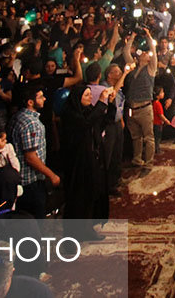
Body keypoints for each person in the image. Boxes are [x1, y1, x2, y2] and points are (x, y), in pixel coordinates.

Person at [60, 84, 113, 240]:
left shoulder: (89, 110)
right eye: (86, 95)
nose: (90, 97)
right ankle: (73, 235)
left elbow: (102, 122)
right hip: (78, 162)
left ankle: (88, 229)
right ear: (77, 98)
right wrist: (101, 103)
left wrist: (110, 104)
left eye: (91, 94)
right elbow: (85, 123)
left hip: (92, 159)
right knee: (78, 198)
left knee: (92, 196)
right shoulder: (70, 114)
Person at [8, 83, 59, 218]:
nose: (44, 99)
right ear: (30, 102)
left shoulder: (17, 117)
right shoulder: (31, 123)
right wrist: (51, 175)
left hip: (22, 180)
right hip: (30, 181)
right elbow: (31, 157)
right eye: (41, 97)